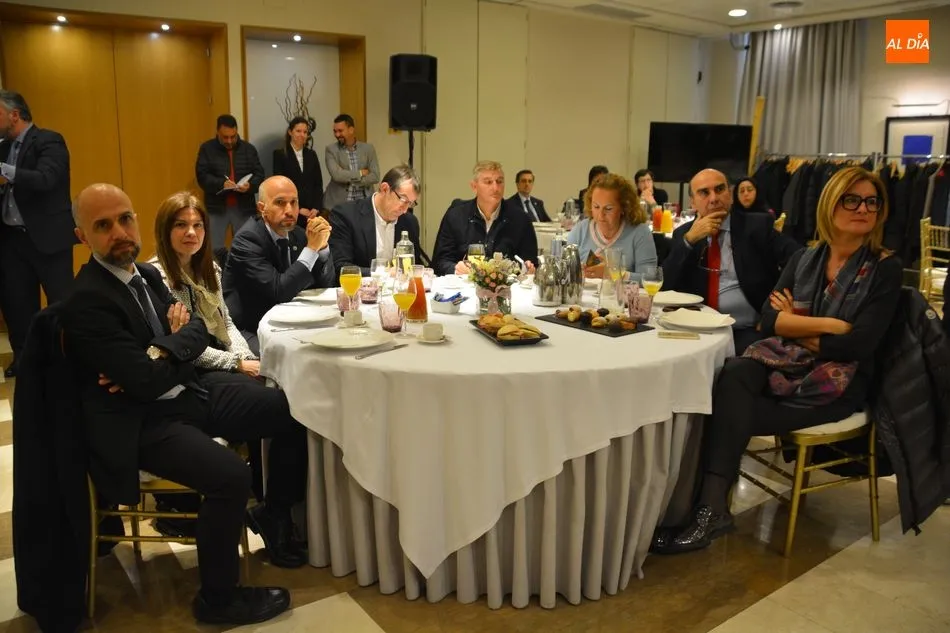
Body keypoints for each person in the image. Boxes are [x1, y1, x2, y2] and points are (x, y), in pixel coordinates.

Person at [62, 183, 296, 624]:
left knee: (286, 408)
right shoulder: (87, 300)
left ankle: (277, 516)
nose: (119, 233)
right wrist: (166, 352)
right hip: (140, 422)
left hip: (187, 393)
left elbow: (196, 332)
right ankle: (218, 600)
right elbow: (145, 383)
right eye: (103, 225)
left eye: (124, 219)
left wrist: (158, 351)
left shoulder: (144, 276)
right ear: (82, 236)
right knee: (230, 476)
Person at [653, 166, 903, 554]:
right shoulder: (807, 258)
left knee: (722, 412)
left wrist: (795, 323)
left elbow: (857, 345)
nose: (863, 209)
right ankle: (707, 509)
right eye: (851, 200)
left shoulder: (884, 268)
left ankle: (705, 511)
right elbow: (771, 321)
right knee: (735, 372)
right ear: (830, 205)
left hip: (837, 382)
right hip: (784, 358)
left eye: (872, 201)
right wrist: (830, 325)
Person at [663, 169, 802, 354]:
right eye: (704, 192)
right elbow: (665, 285)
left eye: (720, 189)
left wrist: (774, 309)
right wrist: (689, 240)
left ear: (730, 194)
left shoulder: (756, 226)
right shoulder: (684, 234)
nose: (714, 198)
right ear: (692, 202)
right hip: (698, 328)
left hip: (746, 329)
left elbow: (799, 258)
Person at [0, 90, 75, 378]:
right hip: (11, 240)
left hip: (48, 238)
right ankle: (25, 360)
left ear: (14, 115)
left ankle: (67, 358)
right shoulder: (2, 148)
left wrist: (5, 171)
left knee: (61, 303)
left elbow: (47, 179)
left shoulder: (49, 140)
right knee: (17, 305)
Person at [223, 176, 335, 354]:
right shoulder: (248, 240)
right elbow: (280, 291)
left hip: (292, 322)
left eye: (294, 202)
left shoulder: (299, 234)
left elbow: (325, 284)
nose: (289, 210)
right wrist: (312, 248)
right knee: (301, 355)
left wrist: (322, 248)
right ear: (262, 208)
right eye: (280, 203)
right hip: (251, 328)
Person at [431, 160, 538, 276]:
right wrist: (455, 269)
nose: (495, 188)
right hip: (463, 283)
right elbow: (439, 261)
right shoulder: (456, 216)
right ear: (474, 186)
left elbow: (530, 261)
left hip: (506, 285)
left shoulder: (521, 219)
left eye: (499, 181)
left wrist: (528, 268)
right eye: (488, 182)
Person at [328, 164, 422, 277]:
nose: (405, 210)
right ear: (384, 189)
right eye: (403, 200)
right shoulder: (346, 216)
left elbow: (414, 265)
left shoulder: (409, 222)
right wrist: (385, 274)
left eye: (410, 203)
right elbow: (341, 267)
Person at [566, 173, 657, 282]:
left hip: (623, 294)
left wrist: (613, 274)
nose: (600, 215)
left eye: (608, 208)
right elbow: (564, 273)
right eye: (596, 207)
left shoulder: (640, 232)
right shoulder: (580, 231)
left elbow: (651, 279)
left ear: (624, 207)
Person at [195, 114, 265, 249]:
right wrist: (221, 183)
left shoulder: (248, 149)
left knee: (246, 246)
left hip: (244, 207)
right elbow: (202, 176)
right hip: (217, 207)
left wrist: (250, 186)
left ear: (236, 131)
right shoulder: (207, 149)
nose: (229, 141)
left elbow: (259, 174)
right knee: (214, 247)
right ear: (217, 132)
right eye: (225, 137)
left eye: (233, 136)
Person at [272, 116, 324, 228]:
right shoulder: (280, 154)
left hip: (312, 214)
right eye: (298, 131)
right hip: (290, 212)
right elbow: (280, 187)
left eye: (305, 132)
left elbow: (318, 184)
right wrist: (298, 208)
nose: (302, 135)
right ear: (290, 132)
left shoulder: (311, 154)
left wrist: (316, 208)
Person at [323, 113, 379, 211]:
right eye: (335, 131)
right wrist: (360, 173)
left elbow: (375, 176)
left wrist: (350, 179)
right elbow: (337, 175)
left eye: (340, 131)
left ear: (351, 130)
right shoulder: (331, 150)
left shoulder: (368, 149)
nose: (337, 135)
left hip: (364, 203)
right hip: (340, 204)